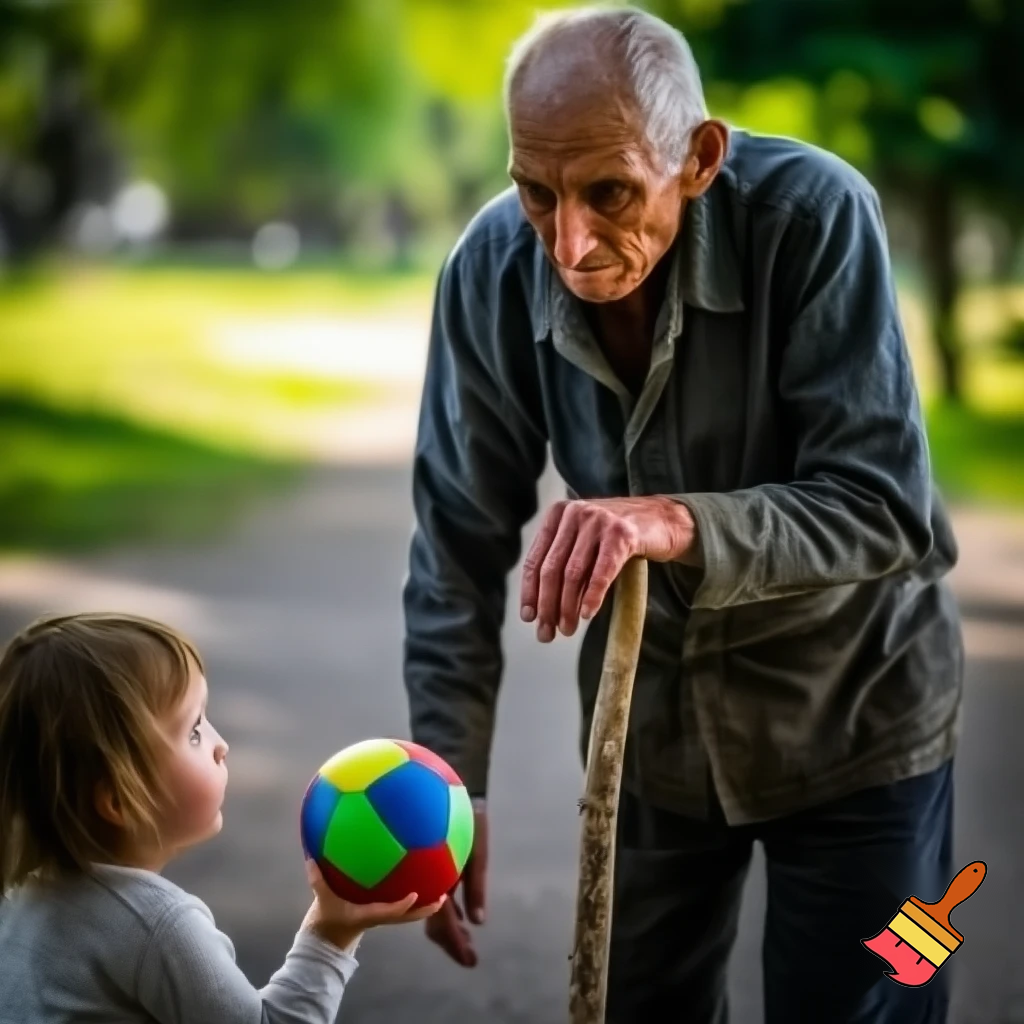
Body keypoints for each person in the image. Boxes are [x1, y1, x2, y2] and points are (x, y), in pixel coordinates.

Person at [401, 7, 963, 1023]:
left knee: (880, 1001)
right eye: (537, 191)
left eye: (608, 191)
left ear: (697, 159)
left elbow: (884, 506)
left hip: (862, 718)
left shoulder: (815, 216)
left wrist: (674, 521)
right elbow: (455, 539)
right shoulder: (490, 265)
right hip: (649, 732)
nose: (569, 238)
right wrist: (448, 789)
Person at [0, 612, 444, 1024]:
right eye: (194, 730)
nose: (220, 745)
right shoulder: (158, 929)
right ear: (117, 799)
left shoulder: (21, 898)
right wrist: (331, 934)